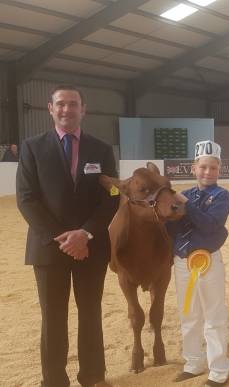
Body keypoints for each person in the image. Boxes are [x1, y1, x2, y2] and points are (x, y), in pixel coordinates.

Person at [15, 85, 119, 387]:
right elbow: (26, 198)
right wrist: (64, 237)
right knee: (53, 317)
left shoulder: (101, 149)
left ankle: (93, 376)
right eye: (61, 104)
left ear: (83, 110)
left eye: (73, 104)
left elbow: (112, 195)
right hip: (49, 248)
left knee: (90, 313)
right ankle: (54, 380)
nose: (66, 110)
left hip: (91, 246)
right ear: (50, 108)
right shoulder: (32, 147)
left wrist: (85, 233)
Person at [167, 140, 229, 386]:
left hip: (208, 263)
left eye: (213, 168)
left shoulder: (222, 196)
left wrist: (184, 204)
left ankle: (218, 368)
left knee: (214, 315)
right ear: (194, 168)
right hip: (182, 262)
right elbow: (172, 227)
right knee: (188, 313)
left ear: (219, 170)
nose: (208, 172)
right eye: (203, 167)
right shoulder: (186, 195)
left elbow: (210, 224)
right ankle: (193, 362)